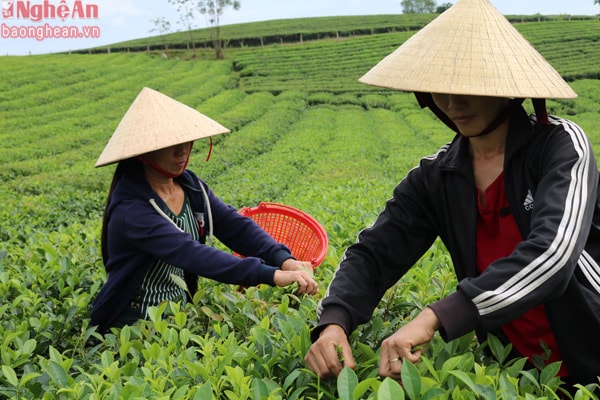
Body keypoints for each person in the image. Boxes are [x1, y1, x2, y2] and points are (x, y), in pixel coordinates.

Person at [305, 0, 600, 387]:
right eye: (440, 88)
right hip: (518, 376)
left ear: (505, 85)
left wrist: (437, 317)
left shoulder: (560, 147)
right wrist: (333, 323)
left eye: (468, 87)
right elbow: (374, 254)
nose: (452, 103)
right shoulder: (438, 176)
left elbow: (553, 254)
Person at [90, 87, 318, 333]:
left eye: (185, 141)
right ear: (144, 151)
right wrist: (270, 275)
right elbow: (190, 253)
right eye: (170, 144)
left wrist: (284, 260)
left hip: (179, 316)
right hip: (132, 327)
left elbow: (234, 225)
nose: (183, 151)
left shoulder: (191, 187)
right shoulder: (131, 210)